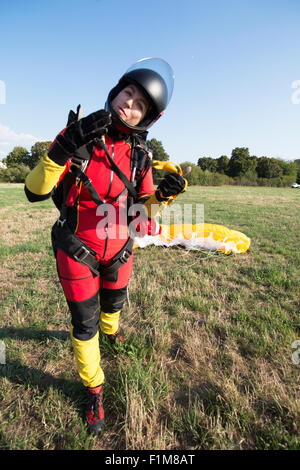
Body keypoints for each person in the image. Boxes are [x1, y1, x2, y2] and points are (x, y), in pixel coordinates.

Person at [24, 58, 186, 435]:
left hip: (120, 248)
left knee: (114, 305)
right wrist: (66, 142)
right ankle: (93, 387)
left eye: (138, 104)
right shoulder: (77, 138)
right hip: (76, 248)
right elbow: (35, 191)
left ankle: (112, 335)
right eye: (126, 93)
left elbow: (139, 215)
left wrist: (161, 198)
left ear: (145, 117)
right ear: (115, 93)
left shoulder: (139, 156)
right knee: (85, 323)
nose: (128, 104)